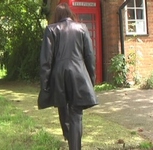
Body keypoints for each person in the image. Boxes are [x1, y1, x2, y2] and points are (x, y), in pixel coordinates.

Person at [38, 3, 98, 150]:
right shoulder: (82, 28)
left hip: (58, 74)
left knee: (63, 107)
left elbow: (45, 60)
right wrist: (91, 79)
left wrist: (45, 84)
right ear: (70, 14)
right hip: (78, 73)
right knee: (76, 113)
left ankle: (69, 138)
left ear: (56, 16)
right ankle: (74, 144)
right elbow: (90, 56)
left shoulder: (51, 29)